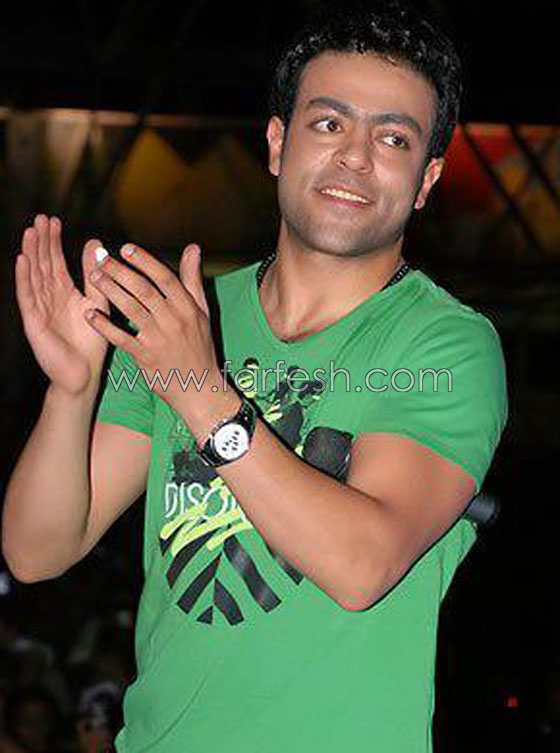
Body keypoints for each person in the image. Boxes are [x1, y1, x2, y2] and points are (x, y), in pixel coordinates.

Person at [2, 1, 508, 751]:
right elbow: (36, 550)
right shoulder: (187, 320)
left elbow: (362, 564)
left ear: (427, 179)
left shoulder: (445, 345)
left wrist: (201, 391)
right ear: (277, 143)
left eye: (393, 138)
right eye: (328, 123)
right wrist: (70, 392)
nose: (355, 157)